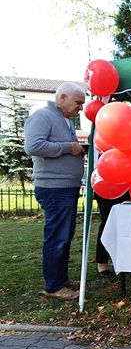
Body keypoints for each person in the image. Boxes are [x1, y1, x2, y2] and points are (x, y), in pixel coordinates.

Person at [23, 82, 86, 301]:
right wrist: (69, 147)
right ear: (63, 97)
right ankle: (53, 286)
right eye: (78, 103)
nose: (80, 108)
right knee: (57, 237)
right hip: (54, 188)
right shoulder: (42, 117)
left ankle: (60, 278)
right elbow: (33, 146)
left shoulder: (65, 120)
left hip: (65, 187)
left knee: (64, 235)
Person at [94, 192, 130, 278]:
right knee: (107, 224)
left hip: (127, 188)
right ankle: (102, 262)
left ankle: (124, 260)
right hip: (107, 189)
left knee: (128, 225)